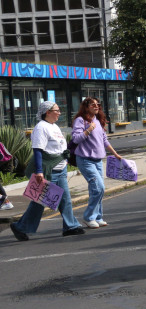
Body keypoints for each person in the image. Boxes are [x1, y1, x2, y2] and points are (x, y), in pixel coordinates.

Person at [9, 101, 85, 241]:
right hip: (48, 171)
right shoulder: (41, 128)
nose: (59, 112)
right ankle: (20, 227)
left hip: (60, 169)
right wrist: (39, 171)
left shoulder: (54, 126)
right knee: (40, 202)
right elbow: (38, 150)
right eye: (57, 110)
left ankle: (70, 226)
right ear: (48, 112)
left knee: (65, 199)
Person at [71, 97, 124, 228]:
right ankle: (88, 217)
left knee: (97, 189)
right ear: (86, 107)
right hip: (85, 160)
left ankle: (98, 216)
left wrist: (115, 153)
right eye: (93, 104)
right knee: (99, 188)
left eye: (97, 104)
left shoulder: (97, 121)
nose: (96, 106)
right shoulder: (80, 120)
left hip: (98, 160)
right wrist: (88, 130)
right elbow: (76, 139)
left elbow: (104, 140)